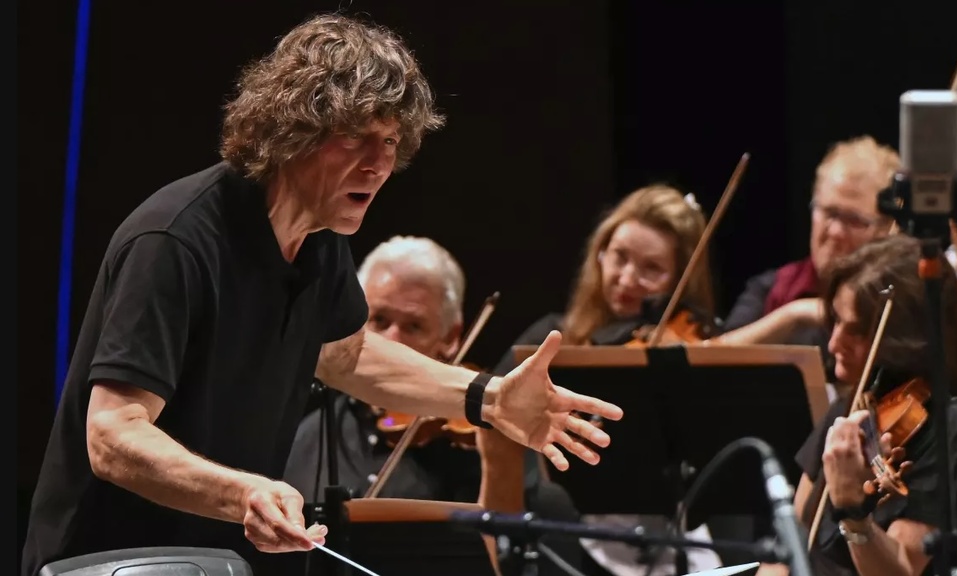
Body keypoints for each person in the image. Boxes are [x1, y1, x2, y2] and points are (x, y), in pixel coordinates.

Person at [21, 14, 622, 576]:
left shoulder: (318, 239)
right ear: (292, 129)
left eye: (391, 141)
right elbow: (114, 436)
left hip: (214, 560)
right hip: (110, 561)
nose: (379, 164)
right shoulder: (175, 242)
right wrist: (244, 492)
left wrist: (488, 398)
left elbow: (346, 355)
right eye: (357, 137)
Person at [492, 184, 722, 576]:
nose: (627, 278)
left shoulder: (683, 342)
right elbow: (494, 403)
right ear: (599, 253)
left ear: (680, 280)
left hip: (666, 539)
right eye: (619, 257)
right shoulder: (553, 336)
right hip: (566, 534)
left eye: (651, 269)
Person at [755, 234, 957, 576]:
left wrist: (854, 513)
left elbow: (900, 571)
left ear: (906, 340)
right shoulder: (850, 410)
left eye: (854, 331)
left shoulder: (954, 430)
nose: (833, 343)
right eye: (836, 320)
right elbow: (786, 551)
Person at [283, 235, 482, 503]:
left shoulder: (475, 449)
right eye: (379, 320)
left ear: (451, 337)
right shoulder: (305, 441)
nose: (392, 341)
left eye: (413, 326)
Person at [723, 136, 900, 352]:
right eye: (829, 213)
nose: (835, 232)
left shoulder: (897, 303)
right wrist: (793, 314)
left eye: (854, 220)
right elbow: (711, 357)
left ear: (887, 228)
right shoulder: (773, 288)